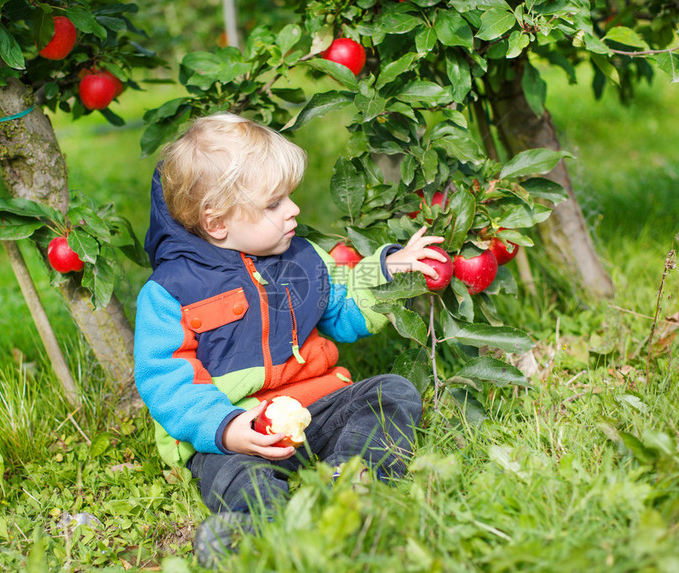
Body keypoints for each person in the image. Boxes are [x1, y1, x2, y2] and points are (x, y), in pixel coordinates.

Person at [133, 112, 447, 566]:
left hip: (316, 405)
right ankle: (254, 533)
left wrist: (385, 274)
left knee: (390, 394)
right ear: (217, 222)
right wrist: (226, 429)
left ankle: (356, 483)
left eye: (289, 197)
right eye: (273, 203)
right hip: (241, 428)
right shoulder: (171, 292)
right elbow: (166, 380)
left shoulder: (303, 257)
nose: (293, 210)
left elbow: (341, 312)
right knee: (237, 474)